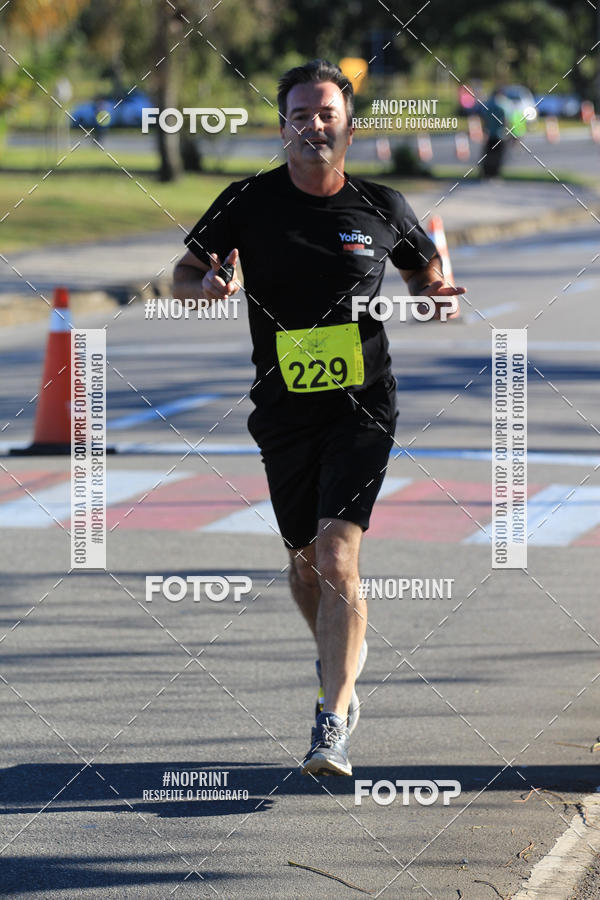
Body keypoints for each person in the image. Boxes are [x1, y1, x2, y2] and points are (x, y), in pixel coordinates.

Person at [173, 59, 465, 776]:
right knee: (305, 565)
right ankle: (338, 655)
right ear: (283, 129)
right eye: (299, 115)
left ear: (349, 126)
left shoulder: (380, 205)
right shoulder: (246, 202)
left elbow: (429, 280)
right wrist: (203, 285)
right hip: (281, 409)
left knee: (337, 555)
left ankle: (331, 718)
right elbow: (181, 277)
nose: (312, 126)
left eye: (325, 113)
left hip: (364, 405)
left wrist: (440, 296)